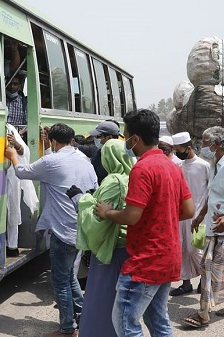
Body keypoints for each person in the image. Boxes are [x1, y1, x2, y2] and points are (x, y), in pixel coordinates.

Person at [95, 109, 194, 337]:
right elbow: (188, 210)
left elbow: (131, 216)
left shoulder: (142, 168)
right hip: (168, 255)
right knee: (157, 320)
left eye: (125, 136)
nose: (125, 142)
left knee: (125, 322)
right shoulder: (171, 166)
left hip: (147, 260)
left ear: (135, 139)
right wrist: (160, 214)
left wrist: (108, 212)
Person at [5, 123, 98, 337]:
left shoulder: (51, 161)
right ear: (72, 140)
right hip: (82, 228)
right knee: (69, 276)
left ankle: (67, 329)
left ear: (54, 141)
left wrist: (12, 155)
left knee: (61, 281)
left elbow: (21, 172)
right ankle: (84, 316)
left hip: (63, 230)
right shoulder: (85, 161)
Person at [182, 126, 224, 328]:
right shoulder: (213, 163)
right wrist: (200, 215)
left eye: (204, 142)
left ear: (216, 144)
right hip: (212, 226)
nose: (202, 146)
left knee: (211, 268)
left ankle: (203, 313)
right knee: (211, 268)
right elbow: (212, 193)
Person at [76, 139, 133, 337]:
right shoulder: (132, 177)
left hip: (111, 250)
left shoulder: (114, 181)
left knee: (100, 304)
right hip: (126, 248)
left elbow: (99, 219)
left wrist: (82, 200)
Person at [169, 131, 210, 297]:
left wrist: (203, 213)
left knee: (196, 250)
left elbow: (210, 190)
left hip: (199, 217)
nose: (177, 153)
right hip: (182, 216)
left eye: (179, 149)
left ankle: (205, 280)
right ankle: (186, 283)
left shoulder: (204, 165)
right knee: (182, 249)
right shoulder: (179, 167)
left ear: (188, 147)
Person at [4, 124, 39, 257]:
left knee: (13, 211)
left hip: (12, 178)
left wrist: (16, 143)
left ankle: (12, 246)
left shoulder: (9, 129)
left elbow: (23, 151)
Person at [6, 71, 27, 136]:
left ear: (19, 85)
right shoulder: (0, 101)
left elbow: (28, 124)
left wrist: (21, 132)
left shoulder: (24, 103)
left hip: (17, 140)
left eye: (15, 84)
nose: (12, 86)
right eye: (10, 83)